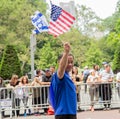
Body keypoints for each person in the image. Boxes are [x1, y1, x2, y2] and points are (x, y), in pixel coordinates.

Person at [49, 42, 77, 119]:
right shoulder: (60, 75)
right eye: (68, 62)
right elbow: (61, 68)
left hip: (71, 113)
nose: (70, 64)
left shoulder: (68, 76)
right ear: (60, 62)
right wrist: (66, 52)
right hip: (63, 114)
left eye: (72, 62)